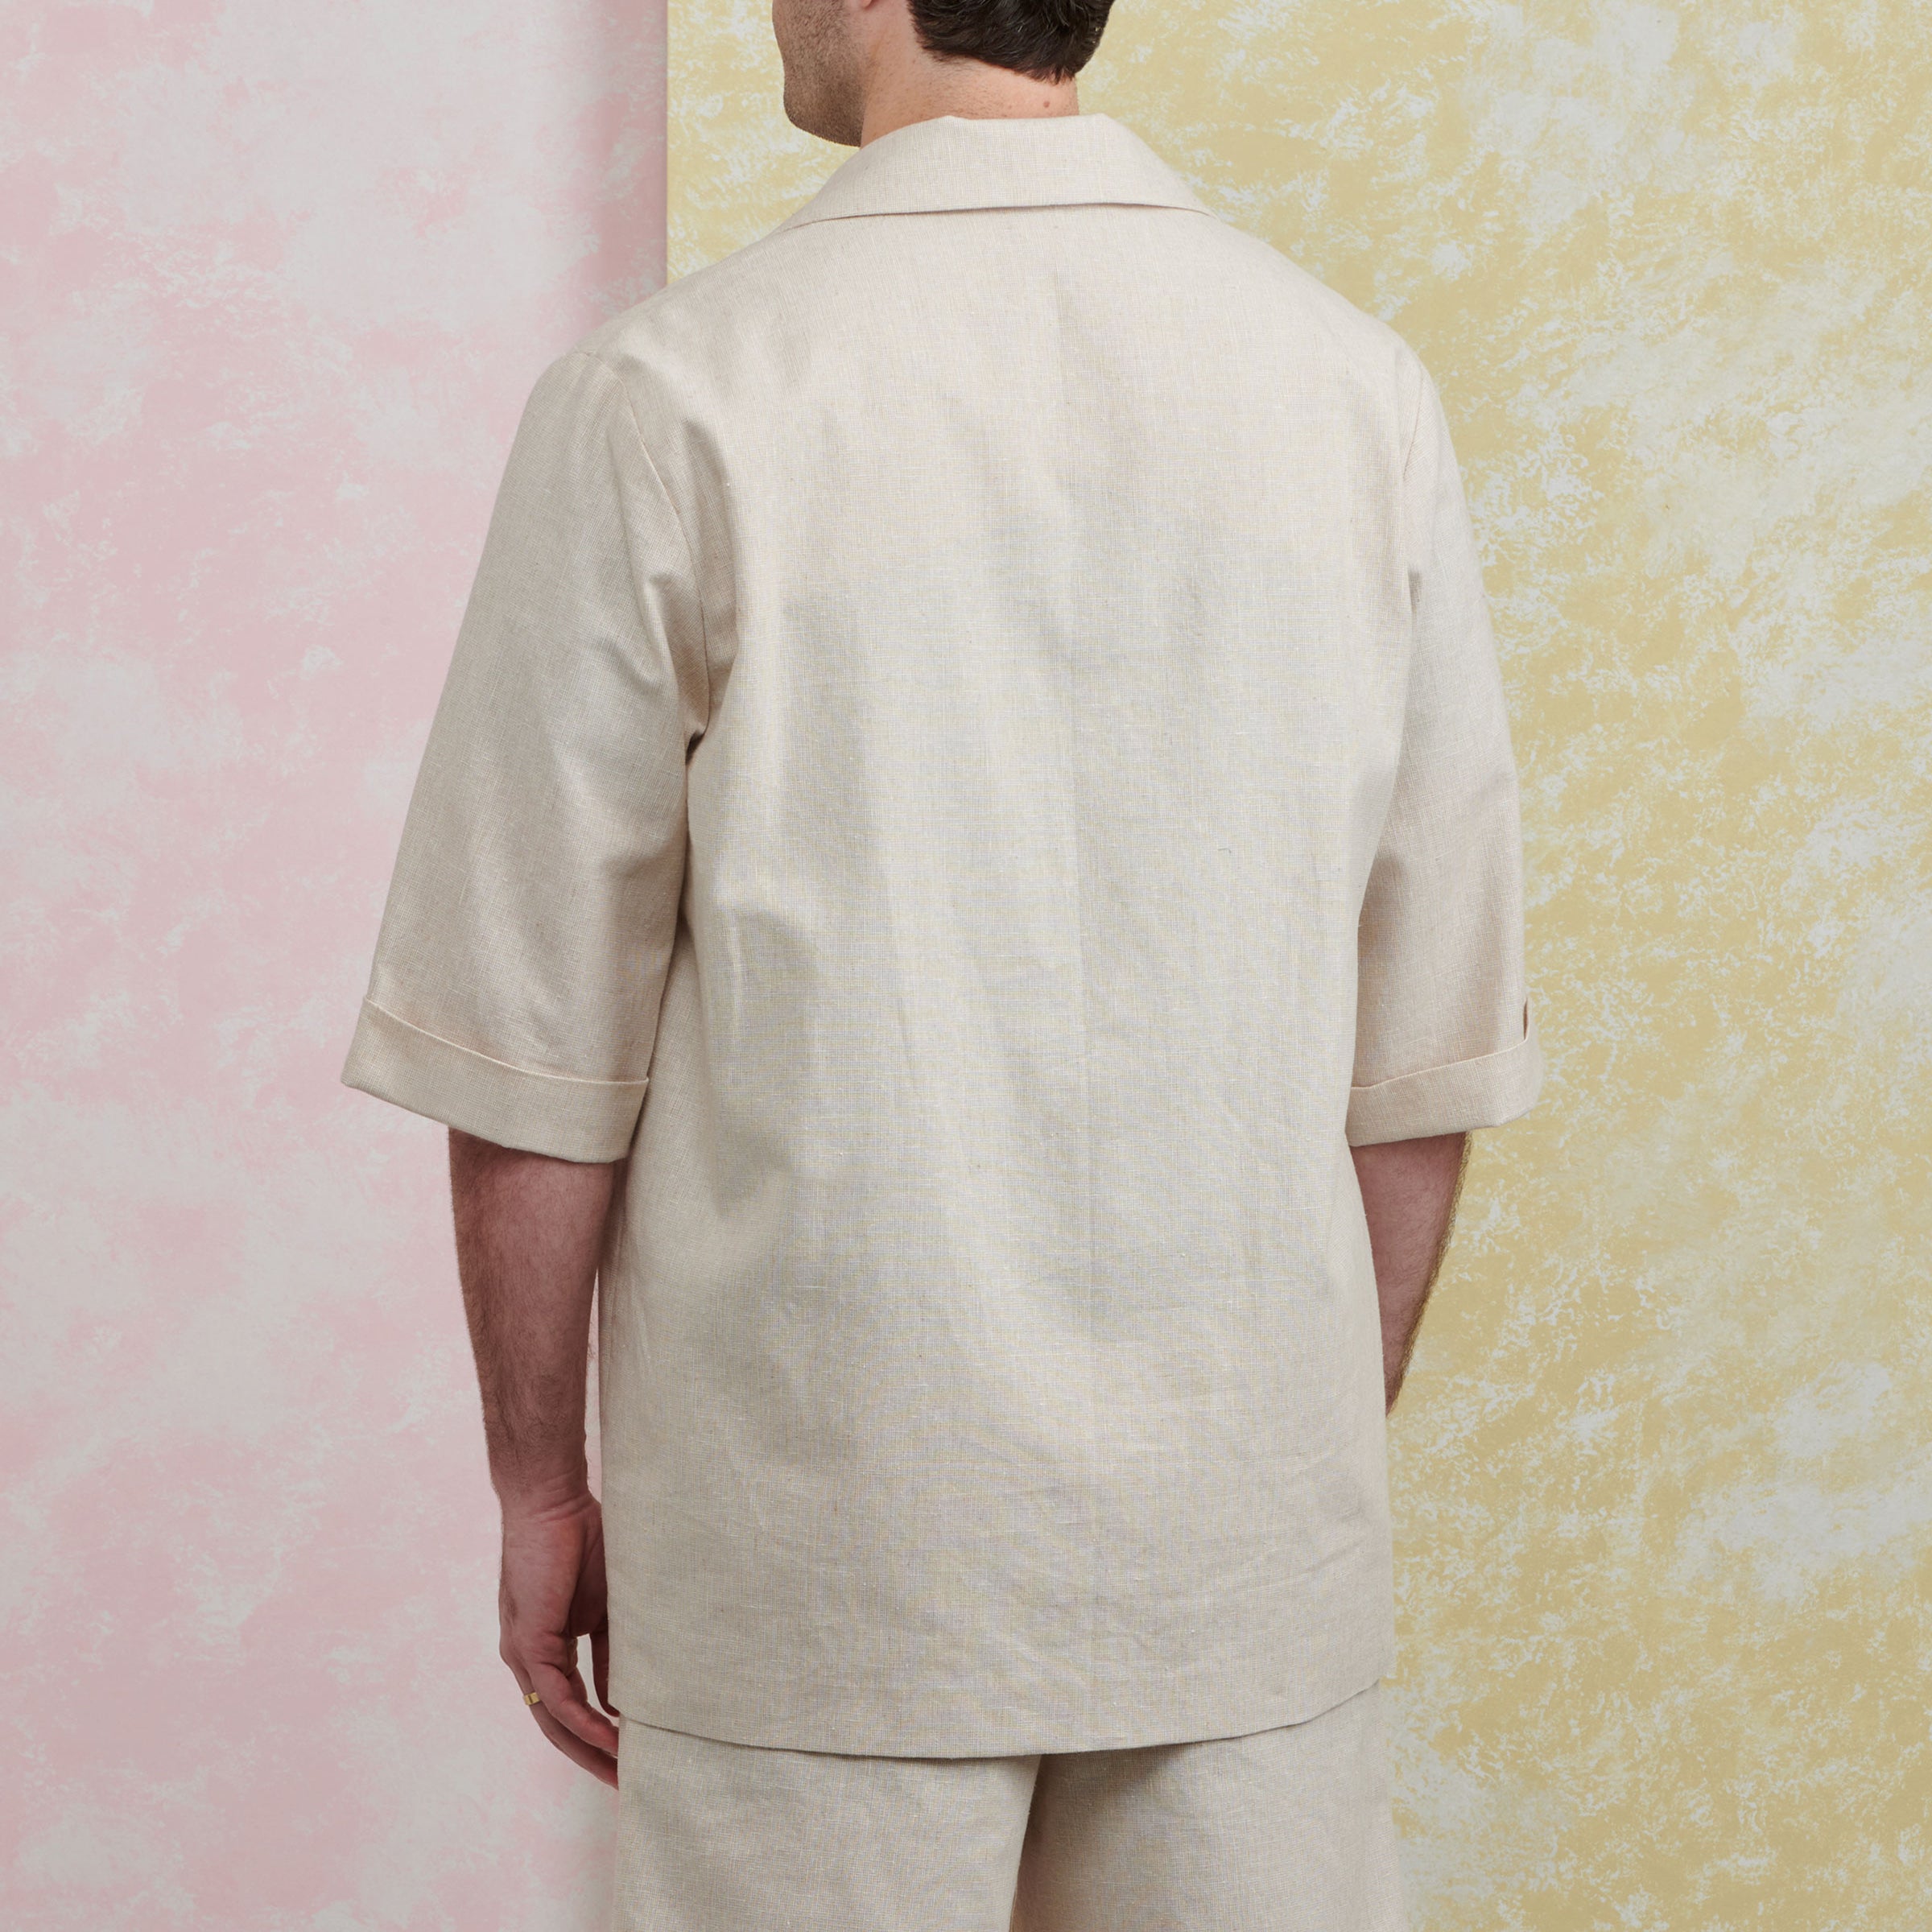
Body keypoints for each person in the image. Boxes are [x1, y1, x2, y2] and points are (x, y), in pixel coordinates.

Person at [341, 0, 1543, 1923]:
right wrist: (1282, 1456)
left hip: (814, 1539)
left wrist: (540, 1485)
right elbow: (1425, 1051)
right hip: (1242, 1538)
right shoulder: (1353, 392)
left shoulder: (670, 396)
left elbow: (530, 1043)